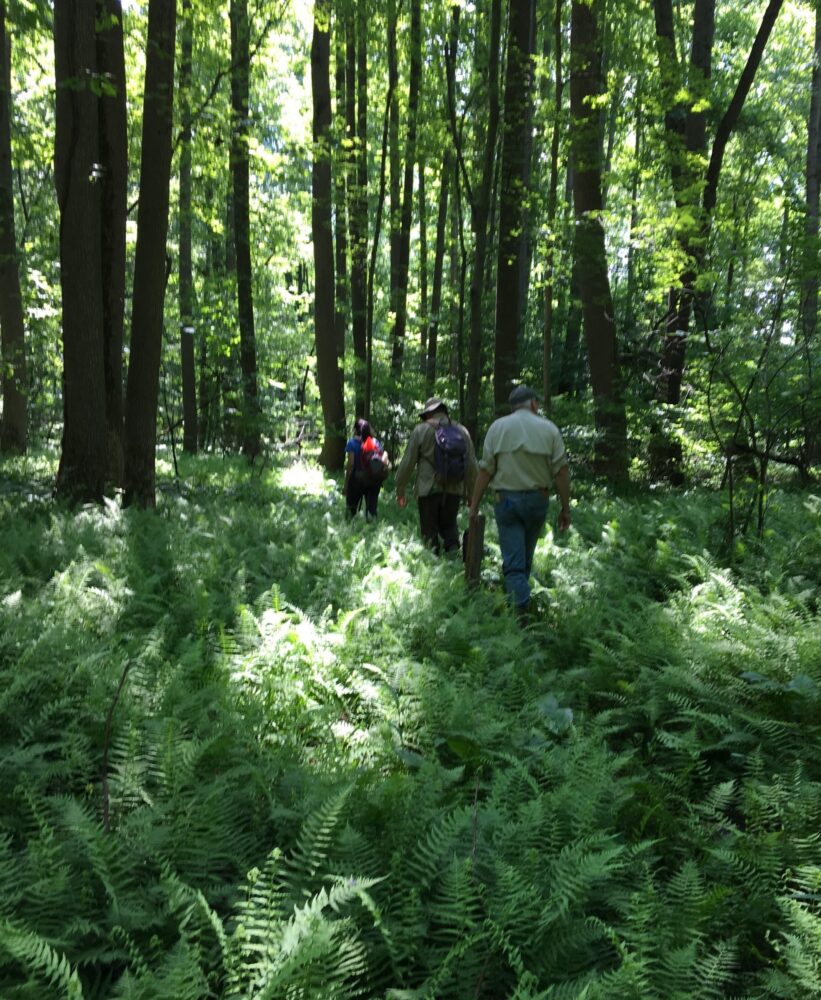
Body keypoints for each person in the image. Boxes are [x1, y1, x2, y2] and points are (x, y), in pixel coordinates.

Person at [468, 385, 570, 616]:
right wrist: (566, 509)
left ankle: (520, 615)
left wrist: (473, 506)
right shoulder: (549, 429)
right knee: (524, 560)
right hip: (537, 500)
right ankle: (522, 613)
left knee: (514, 563)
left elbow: (485, 471)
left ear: (513, 406)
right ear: (534, 404)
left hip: (506, 502)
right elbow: (561, 472)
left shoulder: (498, 428)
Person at [395, 398, 478, 554]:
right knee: (450, 527)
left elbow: (407, 463)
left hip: (428, 489)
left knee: (429, 532)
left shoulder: (421, 430)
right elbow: (472, 465)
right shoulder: (462, 431)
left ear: (428, 414)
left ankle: (433, 567)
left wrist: (400, 490)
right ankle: (453, 563)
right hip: (455, 488)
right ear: (445, 412)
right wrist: (471, 493)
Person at [344, 417, 387, 521]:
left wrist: (346, 484)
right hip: (373, 480)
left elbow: (350, 465)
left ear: (355, 429)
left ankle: (350, 529)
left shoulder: (352, 443)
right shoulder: (375, 442)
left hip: (357, 480)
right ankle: (372, 530)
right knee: (372, 510)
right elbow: (381, 461)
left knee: (351, 509)